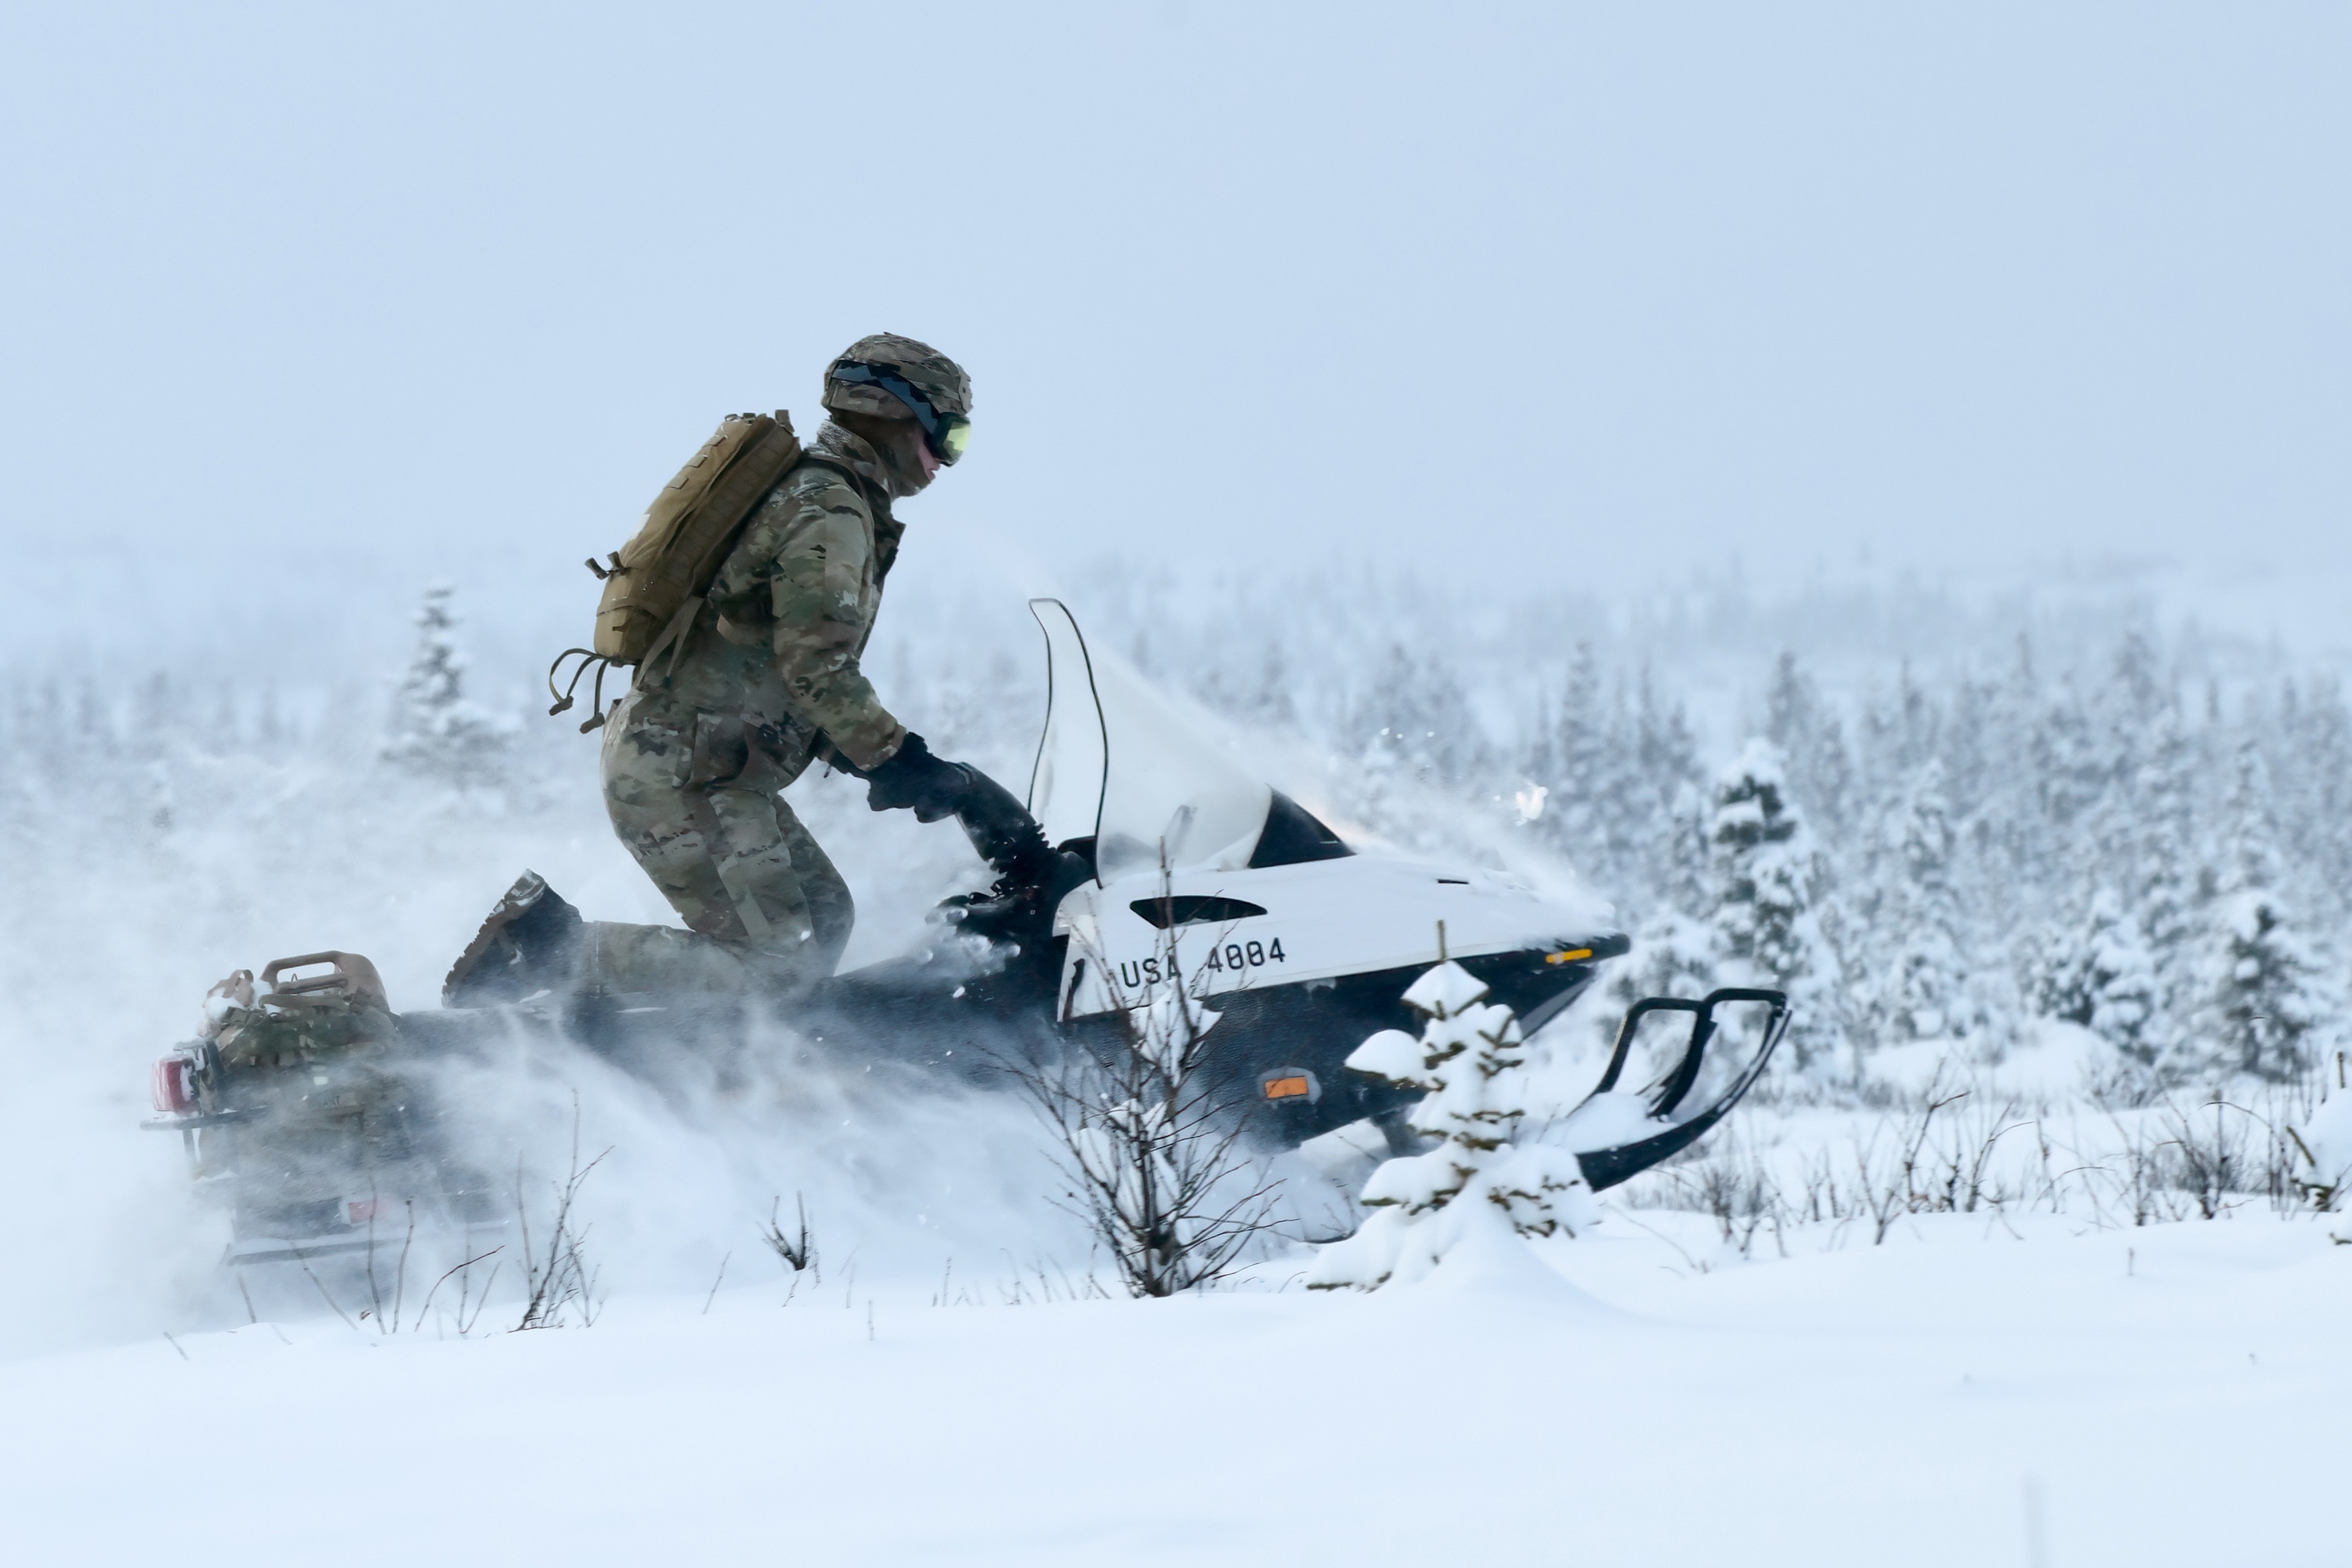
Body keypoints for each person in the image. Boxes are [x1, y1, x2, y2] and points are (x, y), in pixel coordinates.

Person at [446, 333, 1047, 1005]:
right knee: (778, 967)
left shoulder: (824, 496)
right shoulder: (829, 508)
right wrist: (899, 757)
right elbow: (815, 665)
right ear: (900, 414)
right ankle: (545, 949)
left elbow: (766, 665)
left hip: (710, 765)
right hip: (683, 769)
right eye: (949, 436)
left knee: (821, 922)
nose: (946, 461)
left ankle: (700, 1054)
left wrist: (869, 760)